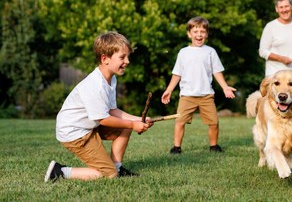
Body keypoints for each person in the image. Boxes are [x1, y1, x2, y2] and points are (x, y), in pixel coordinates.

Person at [44, 31, 153, 182]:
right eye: (122, 57)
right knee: (109, 175)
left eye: (128, 56)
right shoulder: (95, 85)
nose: (127, 61)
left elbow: (112, 110)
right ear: (105, 59)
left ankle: (117, 166)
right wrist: (133, 124)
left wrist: (139, 120)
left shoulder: (111, 79)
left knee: (125, 128)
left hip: (88, 126)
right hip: (75, 133)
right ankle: (59, 171)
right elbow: (104, 119)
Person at [161, 16, 236, 154]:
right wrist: (169, 89)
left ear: (206, 34)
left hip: (206, 95)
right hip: (187, 96)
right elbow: (177, 73)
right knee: (180, 122)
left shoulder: (210, 52)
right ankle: (176, 147)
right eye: (195, 32)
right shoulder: (183, 52)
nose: (199, 35)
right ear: (189, 34)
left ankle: (214, 146)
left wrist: (225, 87)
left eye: (202, 32)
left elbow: (217, 72)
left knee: (213, 122)